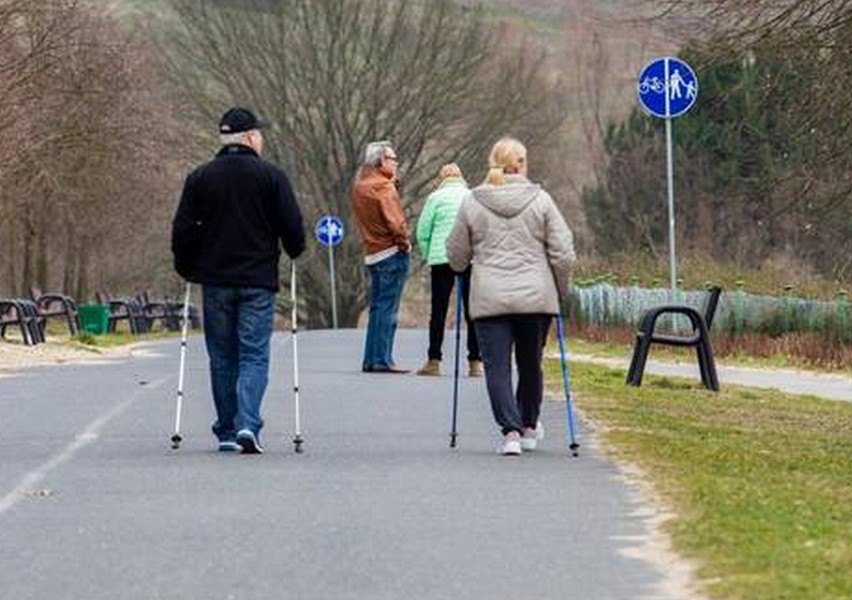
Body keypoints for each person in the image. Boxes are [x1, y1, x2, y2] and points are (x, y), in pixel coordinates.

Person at [171, 107, 305, 454]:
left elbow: (182, 230)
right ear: (249, 138)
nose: (261, 139)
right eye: (259, 134)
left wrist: (186, 267)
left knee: (221, 355)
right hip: (257, 281)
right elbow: (293, 231)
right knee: (254, 354)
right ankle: (249, 423)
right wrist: (294, 249)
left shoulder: (199, 178)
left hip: (214, 280)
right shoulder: (272, 177)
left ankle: (228, 430)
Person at [446, 137, 576, 456]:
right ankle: (529, 425)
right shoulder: (541, 200)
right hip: (535, 297)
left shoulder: (472, 201)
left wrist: (467, 264)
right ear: (521, 164)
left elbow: (456, 255)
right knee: (531, 363)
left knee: (497, 367)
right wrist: (561, 292)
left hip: (490, 298)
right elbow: (563, 253)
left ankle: (511, 432)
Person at [415, 163, 482, 377]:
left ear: (441, 178)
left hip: (441, 259)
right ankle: (475, 363)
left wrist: (430, 254)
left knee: (438, 311)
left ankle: (434, 360)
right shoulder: (472, 197)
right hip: (468, 258)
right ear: (461, 177)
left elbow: (422, 232)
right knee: (472, 311)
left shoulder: (435, 198)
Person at [351, 140, 411, 373]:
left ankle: (371, 358)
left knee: (377, 308)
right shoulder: (384, 188)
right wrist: (404, 244)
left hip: (372, 253)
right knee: (389, 309)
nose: (396, 163)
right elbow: (396, 223)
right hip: (391, 253)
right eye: (392, 158)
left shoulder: (360, 186)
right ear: (380, 161)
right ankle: (383, 359)